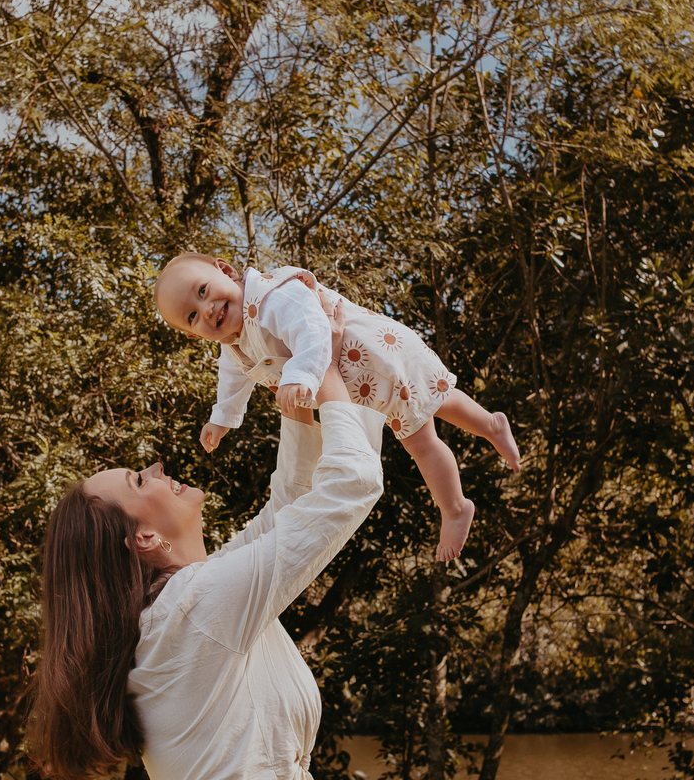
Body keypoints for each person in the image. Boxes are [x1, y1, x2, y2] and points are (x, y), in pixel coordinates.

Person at [30, 353, 386, 780]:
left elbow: (291, 500)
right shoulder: (191, 609)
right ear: (143, 539)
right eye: (139, 481)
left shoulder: (183, 606)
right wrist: (326, 373)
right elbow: (352, 484)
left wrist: (296, 375)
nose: (157, 468)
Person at [153, 252, 520, 560]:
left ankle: (457, 503)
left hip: (374, 357)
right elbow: (232, 384)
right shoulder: (234, 346)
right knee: (432, 414)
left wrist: (299, 376)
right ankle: (490, 428)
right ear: (192, 334)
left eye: (204, 291)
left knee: (429, 422)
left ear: (226, 271)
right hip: (356, 385)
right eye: (192, 315)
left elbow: (312, 328)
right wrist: (222, 419)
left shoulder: (271, 298)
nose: (207, 308)